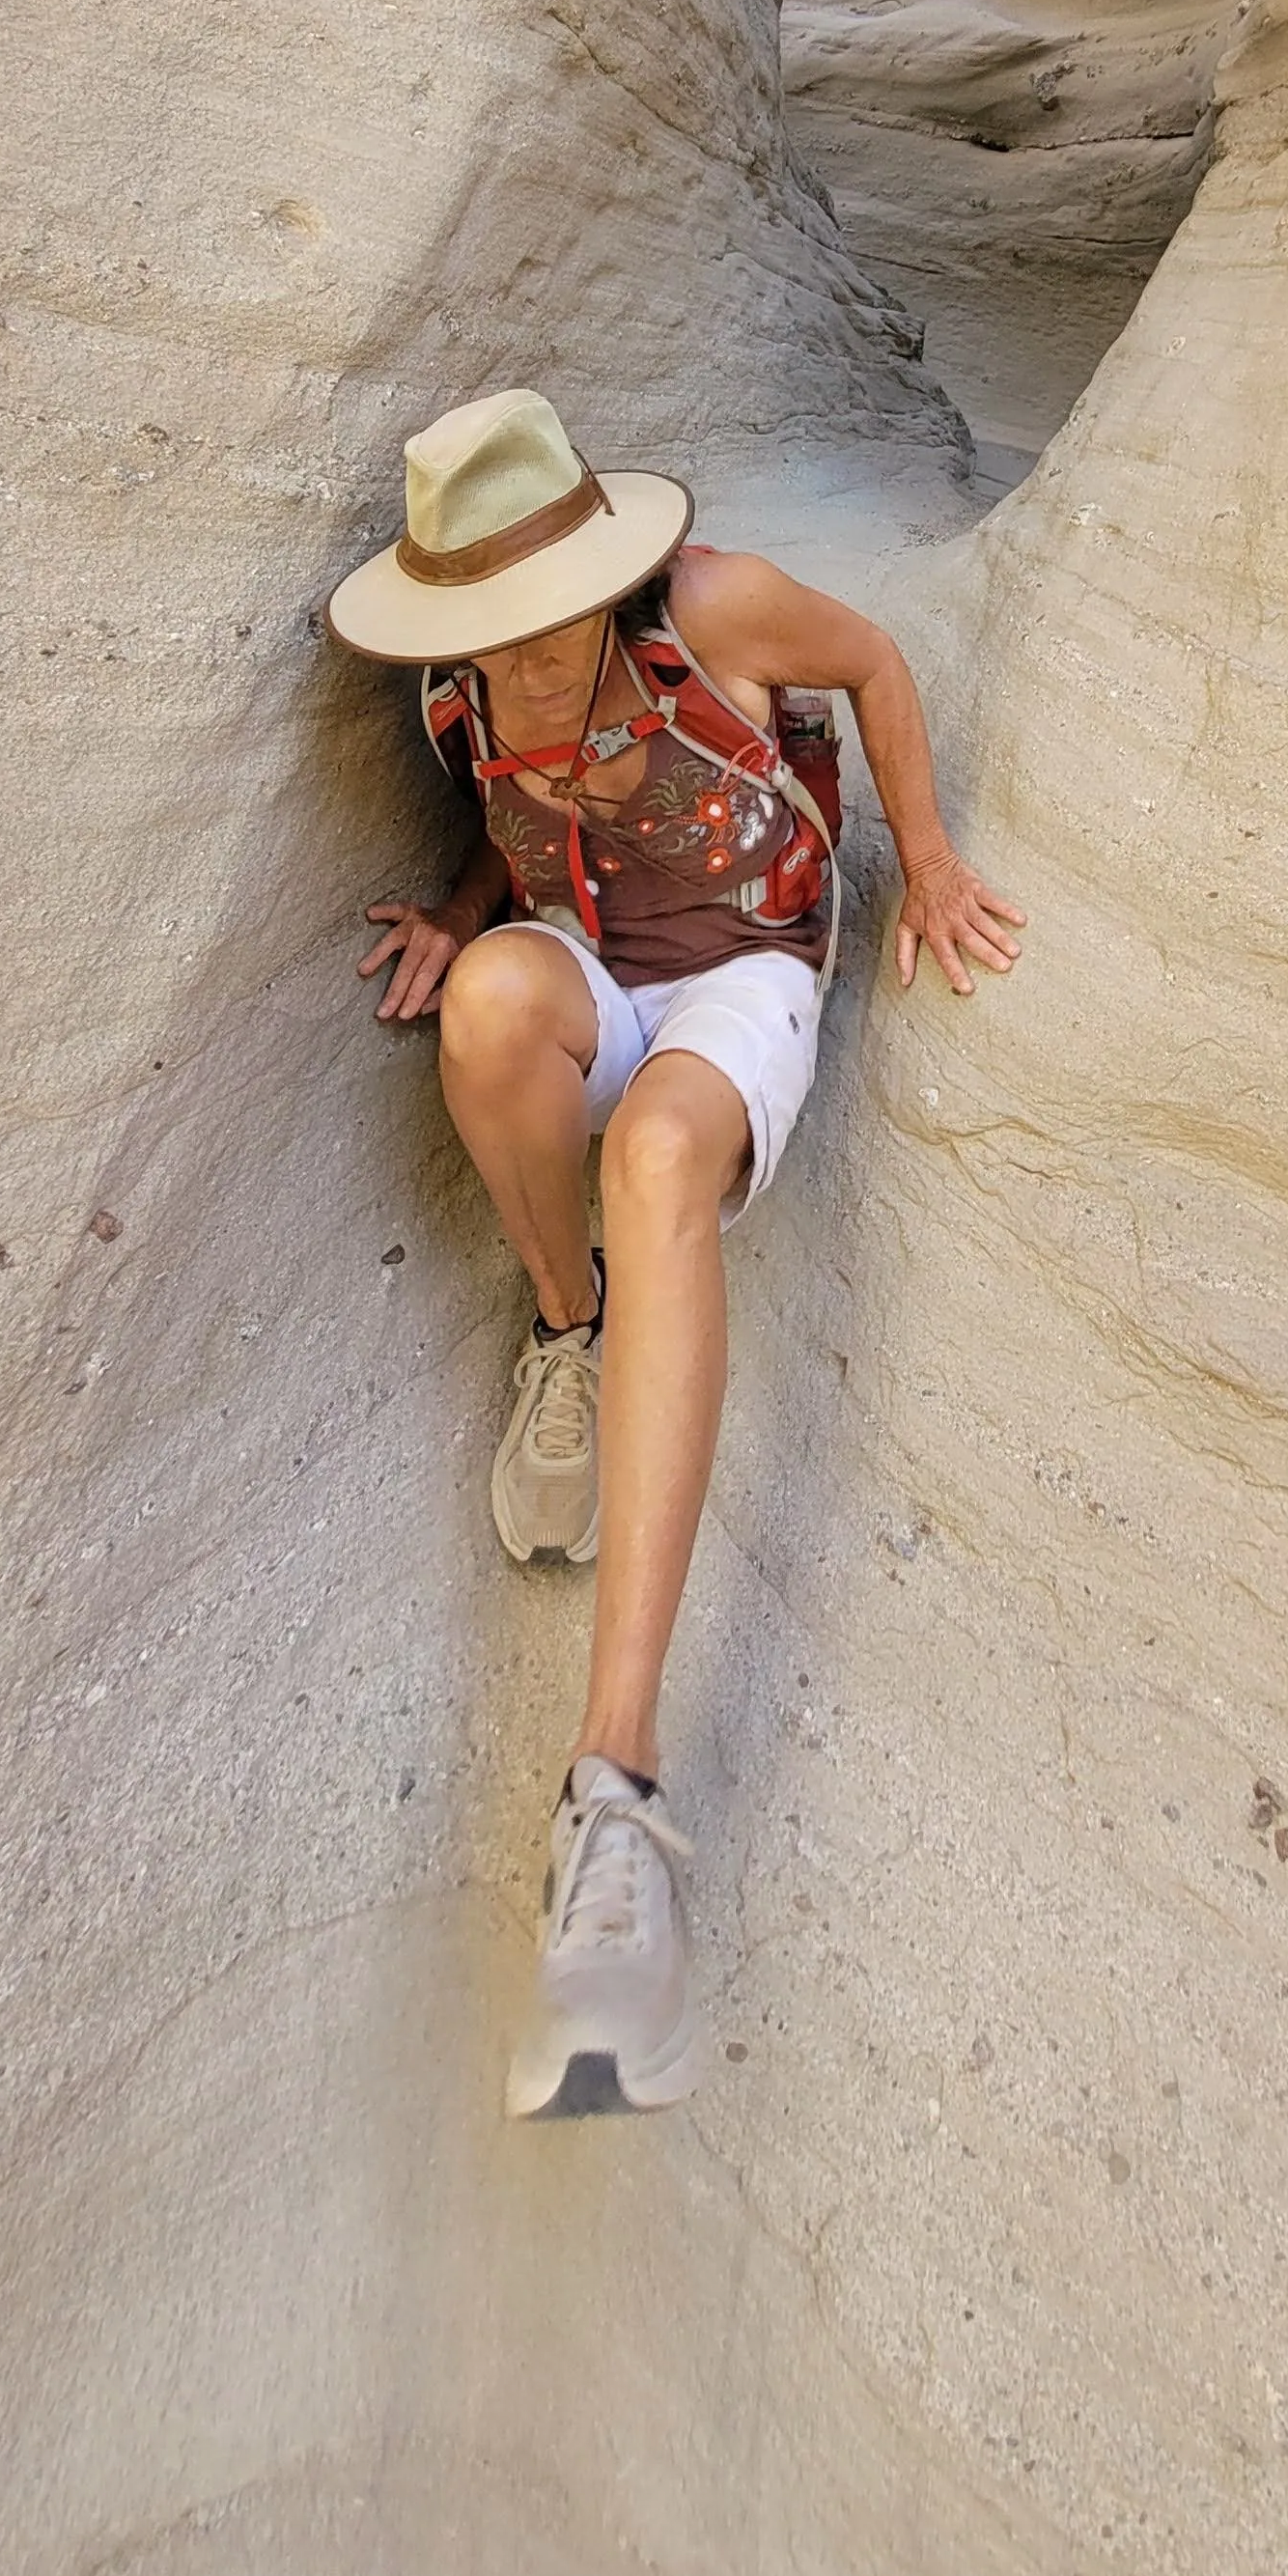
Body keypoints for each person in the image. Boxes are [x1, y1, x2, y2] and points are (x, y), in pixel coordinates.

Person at [327, 388, 1022, 2117]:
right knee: (488, 1010)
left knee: (652, 1154)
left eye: (544, 614)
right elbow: (524, 833)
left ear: (604, 574)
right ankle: (569, 1332)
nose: (521, 653)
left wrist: (926, 863)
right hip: (588, 962)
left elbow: (872, 663)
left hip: (743, 973)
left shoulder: (714, 610)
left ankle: (615, 1785)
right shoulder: (454, 693)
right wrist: (465, 918)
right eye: (482, 627)